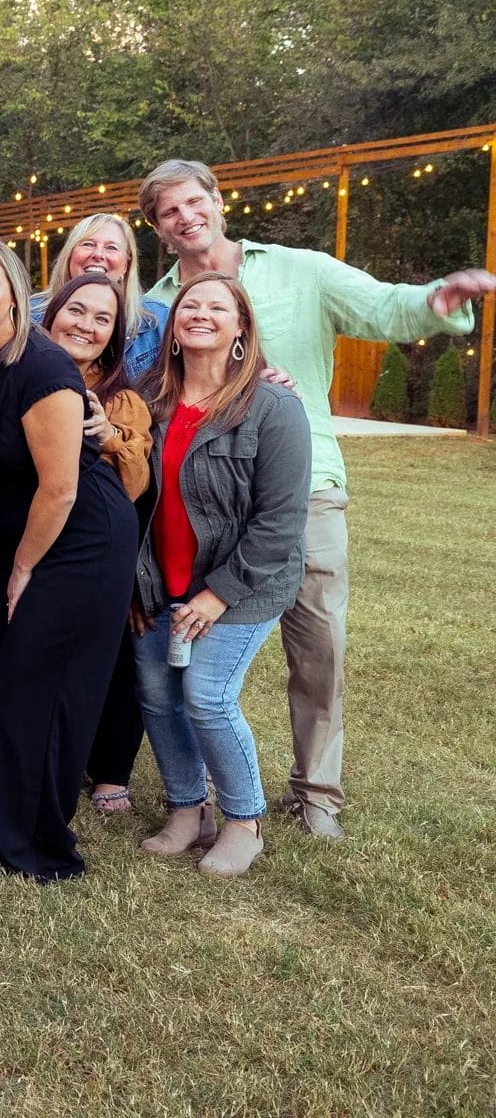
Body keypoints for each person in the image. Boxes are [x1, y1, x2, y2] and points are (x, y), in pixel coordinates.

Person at [139, 159, 496, 839]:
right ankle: (206, 791)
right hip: (202, 507)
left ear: (217, 201)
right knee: (192, 654)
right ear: (158, 228)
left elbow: (384, 304)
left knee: (317, 648)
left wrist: (436, 300)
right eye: (168, 213)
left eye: (193, 202)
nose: (185, 218)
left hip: (301, 494)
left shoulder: (298, 269)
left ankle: (317, 795)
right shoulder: (158, 303)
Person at [0, 240, 137, 882]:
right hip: (8, 531)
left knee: (28, 684)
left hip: (75, 539)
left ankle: (23, 840)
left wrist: (23, 571)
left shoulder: (44, 367)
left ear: (17, 293)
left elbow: (62, 486)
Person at [133, 273, 311, 876]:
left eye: (218, 306)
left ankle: (244, 821)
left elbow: (281, 522)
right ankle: (189, 811)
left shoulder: (274, 406)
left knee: (206, 695)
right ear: (174, 329)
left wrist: (216, 596)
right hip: (162, 580)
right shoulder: (147, 400)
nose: (201, 313)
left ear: (241, 329)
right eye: (190, 305)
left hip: (243, 584)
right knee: (158, 696)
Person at [38, 274, 154, 815]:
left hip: (93, 545)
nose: (85, 325)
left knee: (102, 662)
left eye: (102, 319)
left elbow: (135, 484)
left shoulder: (120, 400)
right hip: (21, 538)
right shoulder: (19, 372)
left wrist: (108, 435)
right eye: (76, 311)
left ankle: (106, 770)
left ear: (114, 336)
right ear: (51, 311)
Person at [29, 213, 167, 379]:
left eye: (111, 248)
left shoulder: (157, 321)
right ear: (70, 255)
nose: (98, 255)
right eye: (88, 244)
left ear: (126, 265)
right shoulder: (29, 314)